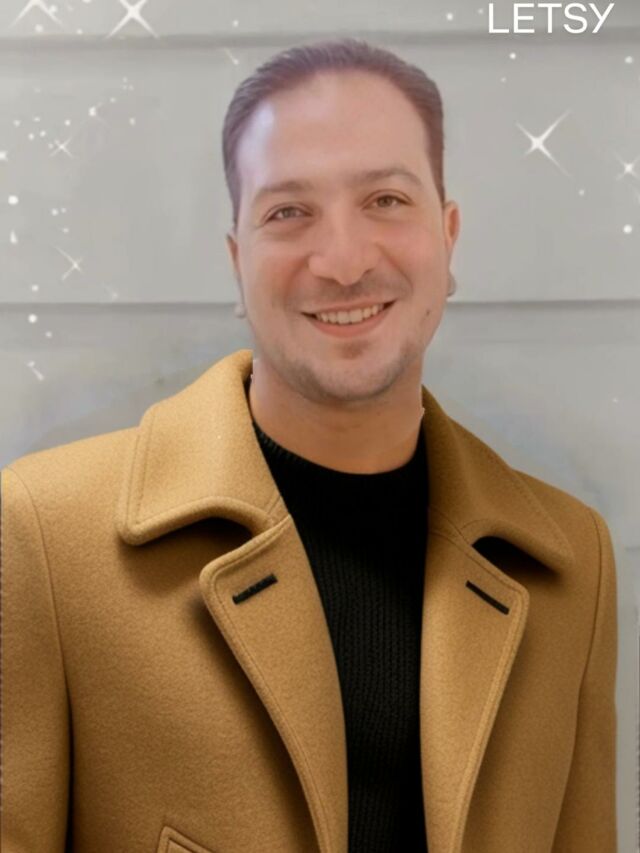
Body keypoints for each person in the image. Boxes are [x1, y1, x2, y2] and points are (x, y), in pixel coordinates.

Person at [2, 37, 617, 853]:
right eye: (288, 212)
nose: (344, 261)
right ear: (237, 261)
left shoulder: (572, 561)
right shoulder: (44, 536)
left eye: (386, 200)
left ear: (448, 236)